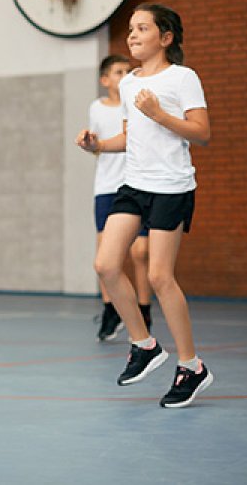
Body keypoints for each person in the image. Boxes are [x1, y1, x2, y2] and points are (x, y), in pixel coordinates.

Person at [76, 3, 213, 408]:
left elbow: (202, 133)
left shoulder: (182, 78)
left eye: (142, 29)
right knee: (105, 265)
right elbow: (128, 136)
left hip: (171, 187)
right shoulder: (131, 82)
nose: (132, 35)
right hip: (133, 184)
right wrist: (98, 145)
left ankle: (192, 366)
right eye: (131, 29)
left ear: (165, 38)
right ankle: (145, 345)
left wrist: (160, 114)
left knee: (159, 276)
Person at [88, 55, 152, 341]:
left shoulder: (139, 104)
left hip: (136, 185)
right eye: (118, 71)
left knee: (140, 252)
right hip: (106, 187)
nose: (124, 74)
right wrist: (92, 144)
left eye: (128, 70)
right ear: (105, 80)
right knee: (105, 254)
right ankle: (110, 309)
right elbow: (98, 145)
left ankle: (144, 307)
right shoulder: (97, 108)